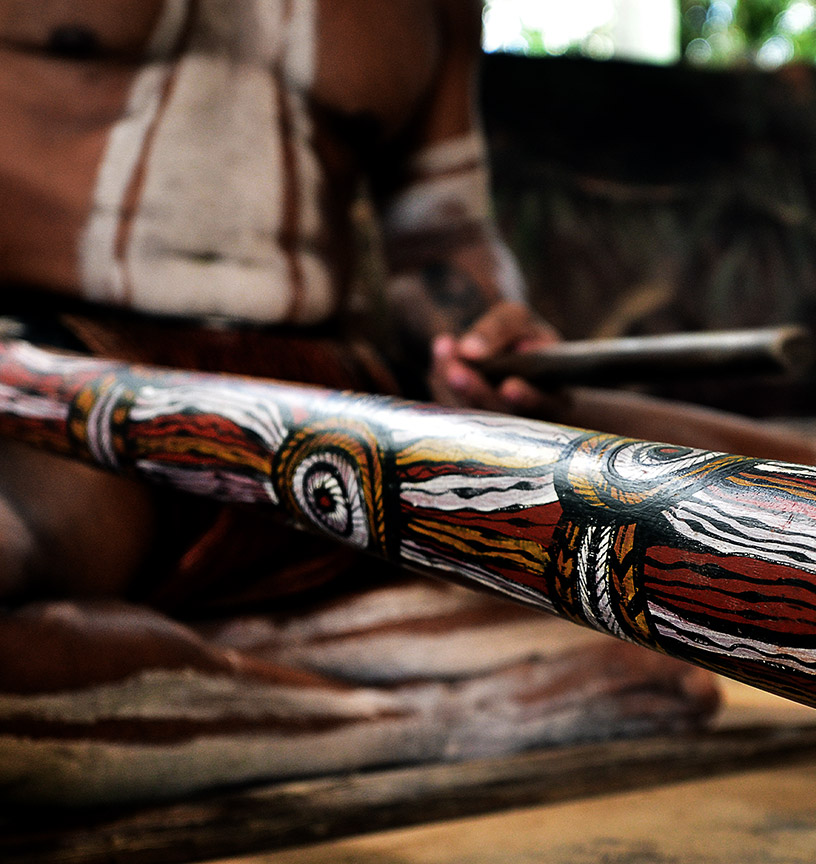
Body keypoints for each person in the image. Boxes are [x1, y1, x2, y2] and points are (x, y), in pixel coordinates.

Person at [0, 0, 719, 804]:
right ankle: (424, 717)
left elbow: (442, 242)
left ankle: (211, 668)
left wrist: (488, 335)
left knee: (788, 505)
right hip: (59, 372)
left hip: (333, 396)